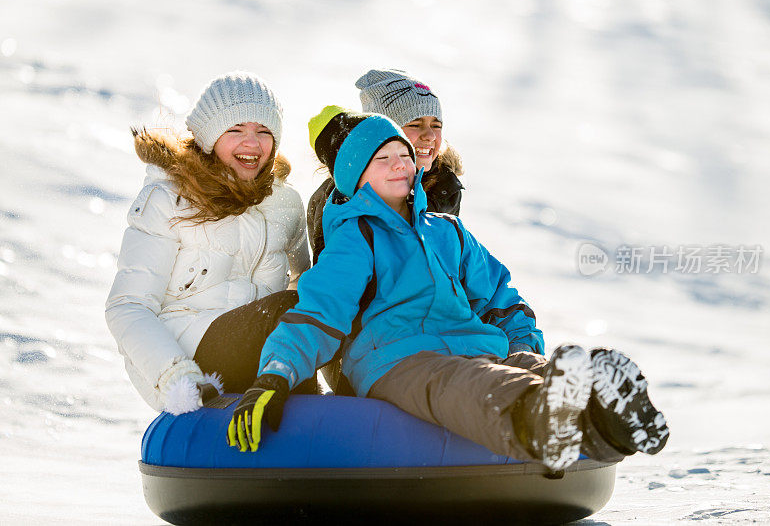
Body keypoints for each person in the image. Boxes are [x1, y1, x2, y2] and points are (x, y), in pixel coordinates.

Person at [226, 107, 669, 471]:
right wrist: (275, 375)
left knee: (522, 363)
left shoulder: (448, 232)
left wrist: (523, 347)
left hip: (473, 346)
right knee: (460, 382)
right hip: (398, 359)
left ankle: (606, 420)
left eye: (402, 154)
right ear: (358, 179)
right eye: (384, 160)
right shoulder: (354, 237)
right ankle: (543, 421)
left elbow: (499, 294)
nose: (401, 164)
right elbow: (319, 311)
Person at [105, 72, 312, 415]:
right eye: (235, 130)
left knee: (325, 304)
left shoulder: (284, 203)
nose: (252, 143)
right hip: (185, 348)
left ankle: (333, 427)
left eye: (264, 132)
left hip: (262, 344)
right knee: (291, 312)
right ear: (208, 137)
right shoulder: (168, 199)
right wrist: (176, 375)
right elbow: (128, 305)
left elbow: (302, 281)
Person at [306, 69, 463, 266]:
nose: (430, 136)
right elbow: (331, 277)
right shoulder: (338, 197)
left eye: (436, 125)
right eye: (415, 124)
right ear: (384, 133)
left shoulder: (445, 187)